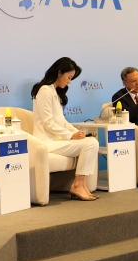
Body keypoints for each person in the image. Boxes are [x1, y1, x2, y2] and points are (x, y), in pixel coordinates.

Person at [30, 57, 99, 201]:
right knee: (91, 144)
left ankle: (81, 184)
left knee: (91, 141)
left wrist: (76, 132)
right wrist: (70, 136)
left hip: (57, 140)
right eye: (69, 77)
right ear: (59, 73)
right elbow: (48, 123)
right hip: (46, 142)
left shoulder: (55, 92)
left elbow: (62, 121)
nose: (70, 82)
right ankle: (78, 185)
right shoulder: (45, 90)